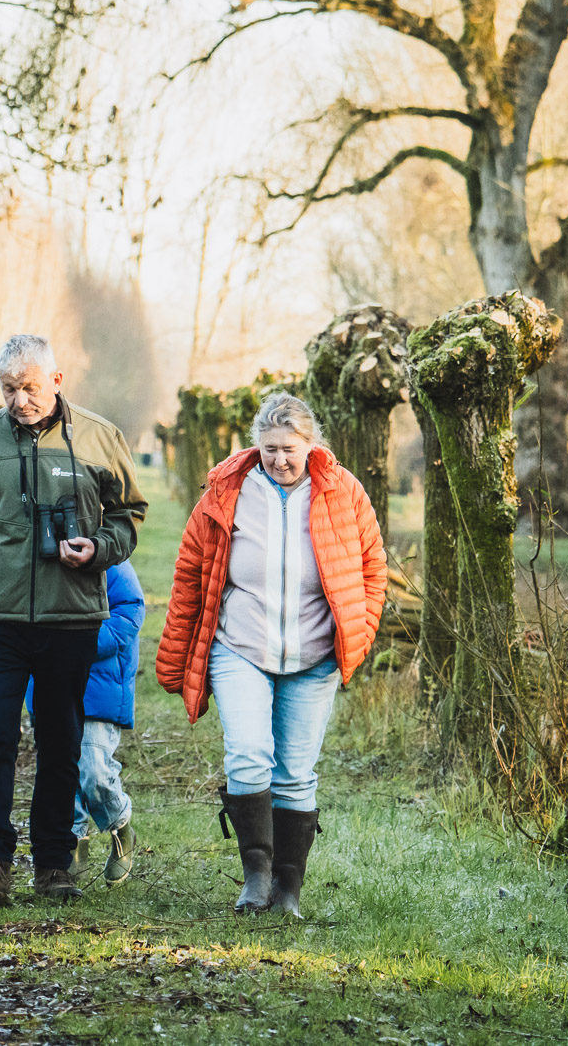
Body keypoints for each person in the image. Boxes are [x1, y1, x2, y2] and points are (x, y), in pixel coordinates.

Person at [0, 334, 147, 906]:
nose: (19, 399)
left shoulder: (101, 438)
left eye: (29, 387)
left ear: (56, 380)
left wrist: (99, 547)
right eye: (8, 388)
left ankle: (54, 864)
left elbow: (130, 516)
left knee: (61, 740)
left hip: (70, 616)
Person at [156, 392, 385, 919]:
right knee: (247, 753)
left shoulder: (343, 493)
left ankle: (289, 889)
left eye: (289, 449)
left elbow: (373, 567)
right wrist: (177, 648)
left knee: (296, 771)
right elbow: (190, 570)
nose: (279, 460)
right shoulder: (227, 490)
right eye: (269, 449)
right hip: (240, 646)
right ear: (255, 446)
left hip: (315, 653)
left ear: (312, 446)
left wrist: (359, 632)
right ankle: (256, 875)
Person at [26, 559, 145, 887]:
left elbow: (130, 609)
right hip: (50, 684)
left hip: (97, 686)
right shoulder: (38, 555)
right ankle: (72, 846)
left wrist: (78, 646)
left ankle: (120, 823)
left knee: (93, 770)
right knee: (60, 773)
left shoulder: (111, 560)